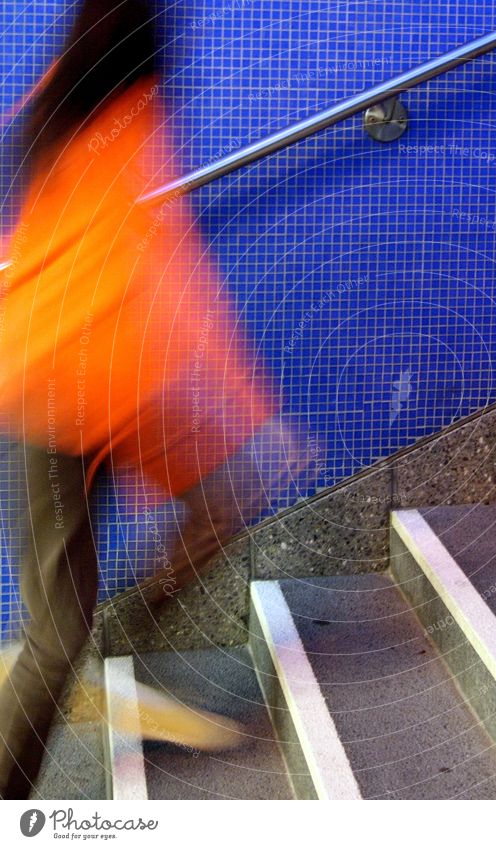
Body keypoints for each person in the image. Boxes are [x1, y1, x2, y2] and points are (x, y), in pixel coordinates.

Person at [0, 0, 302, 799]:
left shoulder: (59, 117)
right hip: (58, 394)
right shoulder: (116, 125)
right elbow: (166, 279)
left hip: (97, 389)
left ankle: (108, 648)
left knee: (215, 505)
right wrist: (247, 410)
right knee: (57, 632)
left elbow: (152, 275)